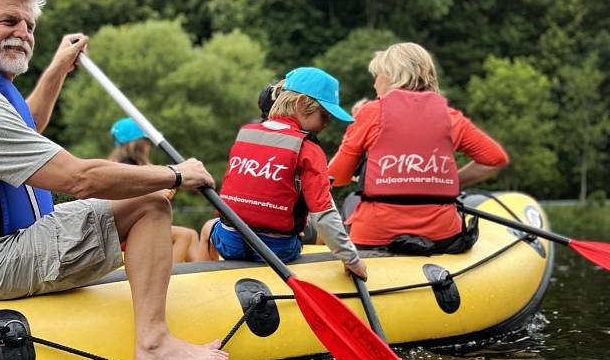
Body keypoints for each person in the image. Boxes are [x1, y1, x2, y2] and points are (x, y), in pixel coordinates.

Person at [0, 0, 228, 360]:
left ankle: (153, 333)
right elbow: (79, 179)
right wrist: (176, 175)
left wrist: (57, 69)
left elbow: (27, 128)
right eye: (8, 21)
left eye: (29, 26)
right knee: (150, 203)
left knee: (143, 197)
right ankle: (154, 343)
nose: (22, 33)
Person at [328, 42, 509, 253]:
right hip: (443, 235)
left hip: (375, 235)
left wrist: (356, 126)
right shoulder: (451, 118)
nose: (375, 84)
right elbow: (496, 159)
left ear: (391, 75)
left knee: (350, 201)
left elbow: (335, 177)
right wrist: (444, 181)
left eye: (377, 76)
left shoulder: (369, 113)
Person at [197, 68, 367, 280]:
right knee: (303, 231)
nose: (326, 124)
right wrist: (352, 259)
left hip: (229, 242)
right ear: (301, 104)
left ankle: (207, 280)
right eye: (324, 115)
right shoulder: (309, 149)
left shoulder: (246, 134)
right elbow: (324, 216)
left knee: (208, 227)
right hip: (278, 250)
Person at [108, 117, 201, 263]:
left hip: (132, 226)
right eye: (147, 142)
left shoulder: (127, 165)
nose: (149, 146)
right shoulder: (126, 168)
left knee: (192, 234)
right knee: (184, 236)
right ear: (138, 144)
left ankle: (202, 279)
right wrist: (157, 192)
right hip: (126, 232)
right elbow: (124, 199)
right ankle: (169, 280)